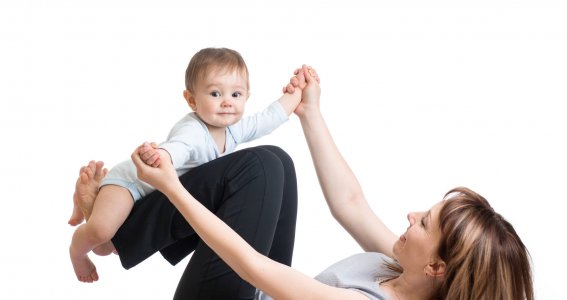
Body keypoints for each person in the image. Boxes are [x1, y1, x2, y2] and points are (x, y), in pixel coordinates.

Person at [89, 65, 533, 299]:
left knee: (258, 169)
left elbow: (252, 266)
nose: (411, 216)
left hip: (244, 285)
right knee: (276, 162)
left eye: (425, 223)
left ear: (437, 268)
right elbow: (351, 203)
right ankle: (119, 222)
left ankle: (116, 222)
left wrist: (172, 186)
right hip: (253, 290)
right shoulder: (400, 271)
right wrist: (310, 113)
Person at [68, 47, 315, 283]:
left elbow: (267, 119)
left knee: (110, 247)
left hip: (157, 196)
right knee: (101, 233)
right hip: (131, 184)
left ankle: (91, 206)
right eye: (215, 94)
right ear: (191, 100)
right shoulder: (193, 130)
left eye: (236, 94)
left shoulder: (233, 129)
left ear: (247, 97)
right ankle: (77, 253)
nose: (227, 102)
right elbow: (178, 148)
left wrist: (296, 92)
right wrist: (160, 155)